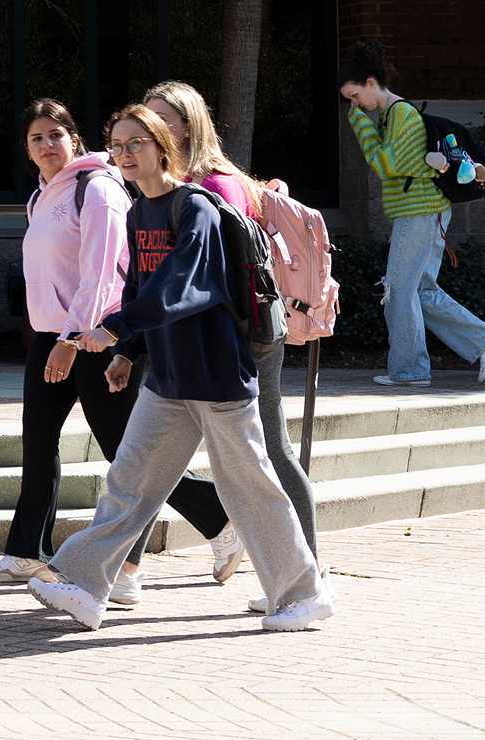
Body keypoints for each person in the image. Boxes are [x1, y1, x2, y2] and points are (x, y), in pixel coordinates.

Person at [30, 105, 333, 633]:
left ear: (162, 148)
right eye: (118, 146)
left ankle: (304, 594)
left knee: (249, 487)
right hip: (168, 379)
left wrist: (116, 328)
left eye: (136, 144)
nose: (125, 155)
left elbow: (182, 283)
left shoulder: (198, 209)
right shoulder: (136, 212)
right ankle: (82, 582)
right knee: (130, 482)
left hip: (216, 377)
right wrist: (129, 352)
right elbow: (139, 288)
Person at [0, 98, 231, 601]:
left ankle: (219, 520)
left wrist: (73, 342)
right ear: (27, 150)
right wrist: (54, 338)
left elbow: (101, 275)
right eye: (36, 138)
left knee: (128, 455)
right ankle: (27, 549)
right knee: (38, 443)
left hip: (95, 337)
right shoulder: (41, 197)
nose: (47, 144)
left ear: (74, 138)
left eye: (56, 134)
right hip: (53, 337)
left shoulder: (96, 190)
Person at [143, 80, 323, 568]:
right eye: (148, 119)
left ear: (189, 125)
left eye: (165, 120)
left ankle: (308, 569)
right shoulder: (180, 186)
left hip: (242, 340)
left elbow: (209, 276)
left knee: (271, 453)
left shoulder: (216, 186)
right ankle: (121, 569)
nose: (153, 128)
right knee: (155, 458)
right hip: (209, 339)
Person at [339, 38, 485, 388]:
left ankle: (411, 369)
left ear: (371, 82)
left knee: (397, 290)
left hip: (420, 212)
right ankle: (483, 340)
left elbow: (385, 165)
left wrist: (359, 123)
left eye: (355, 96)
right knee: (420, 290)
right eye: (351, 101)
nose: (355, 104)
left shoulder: (398, 114)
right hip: (425, 212)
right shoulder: (392, 114)